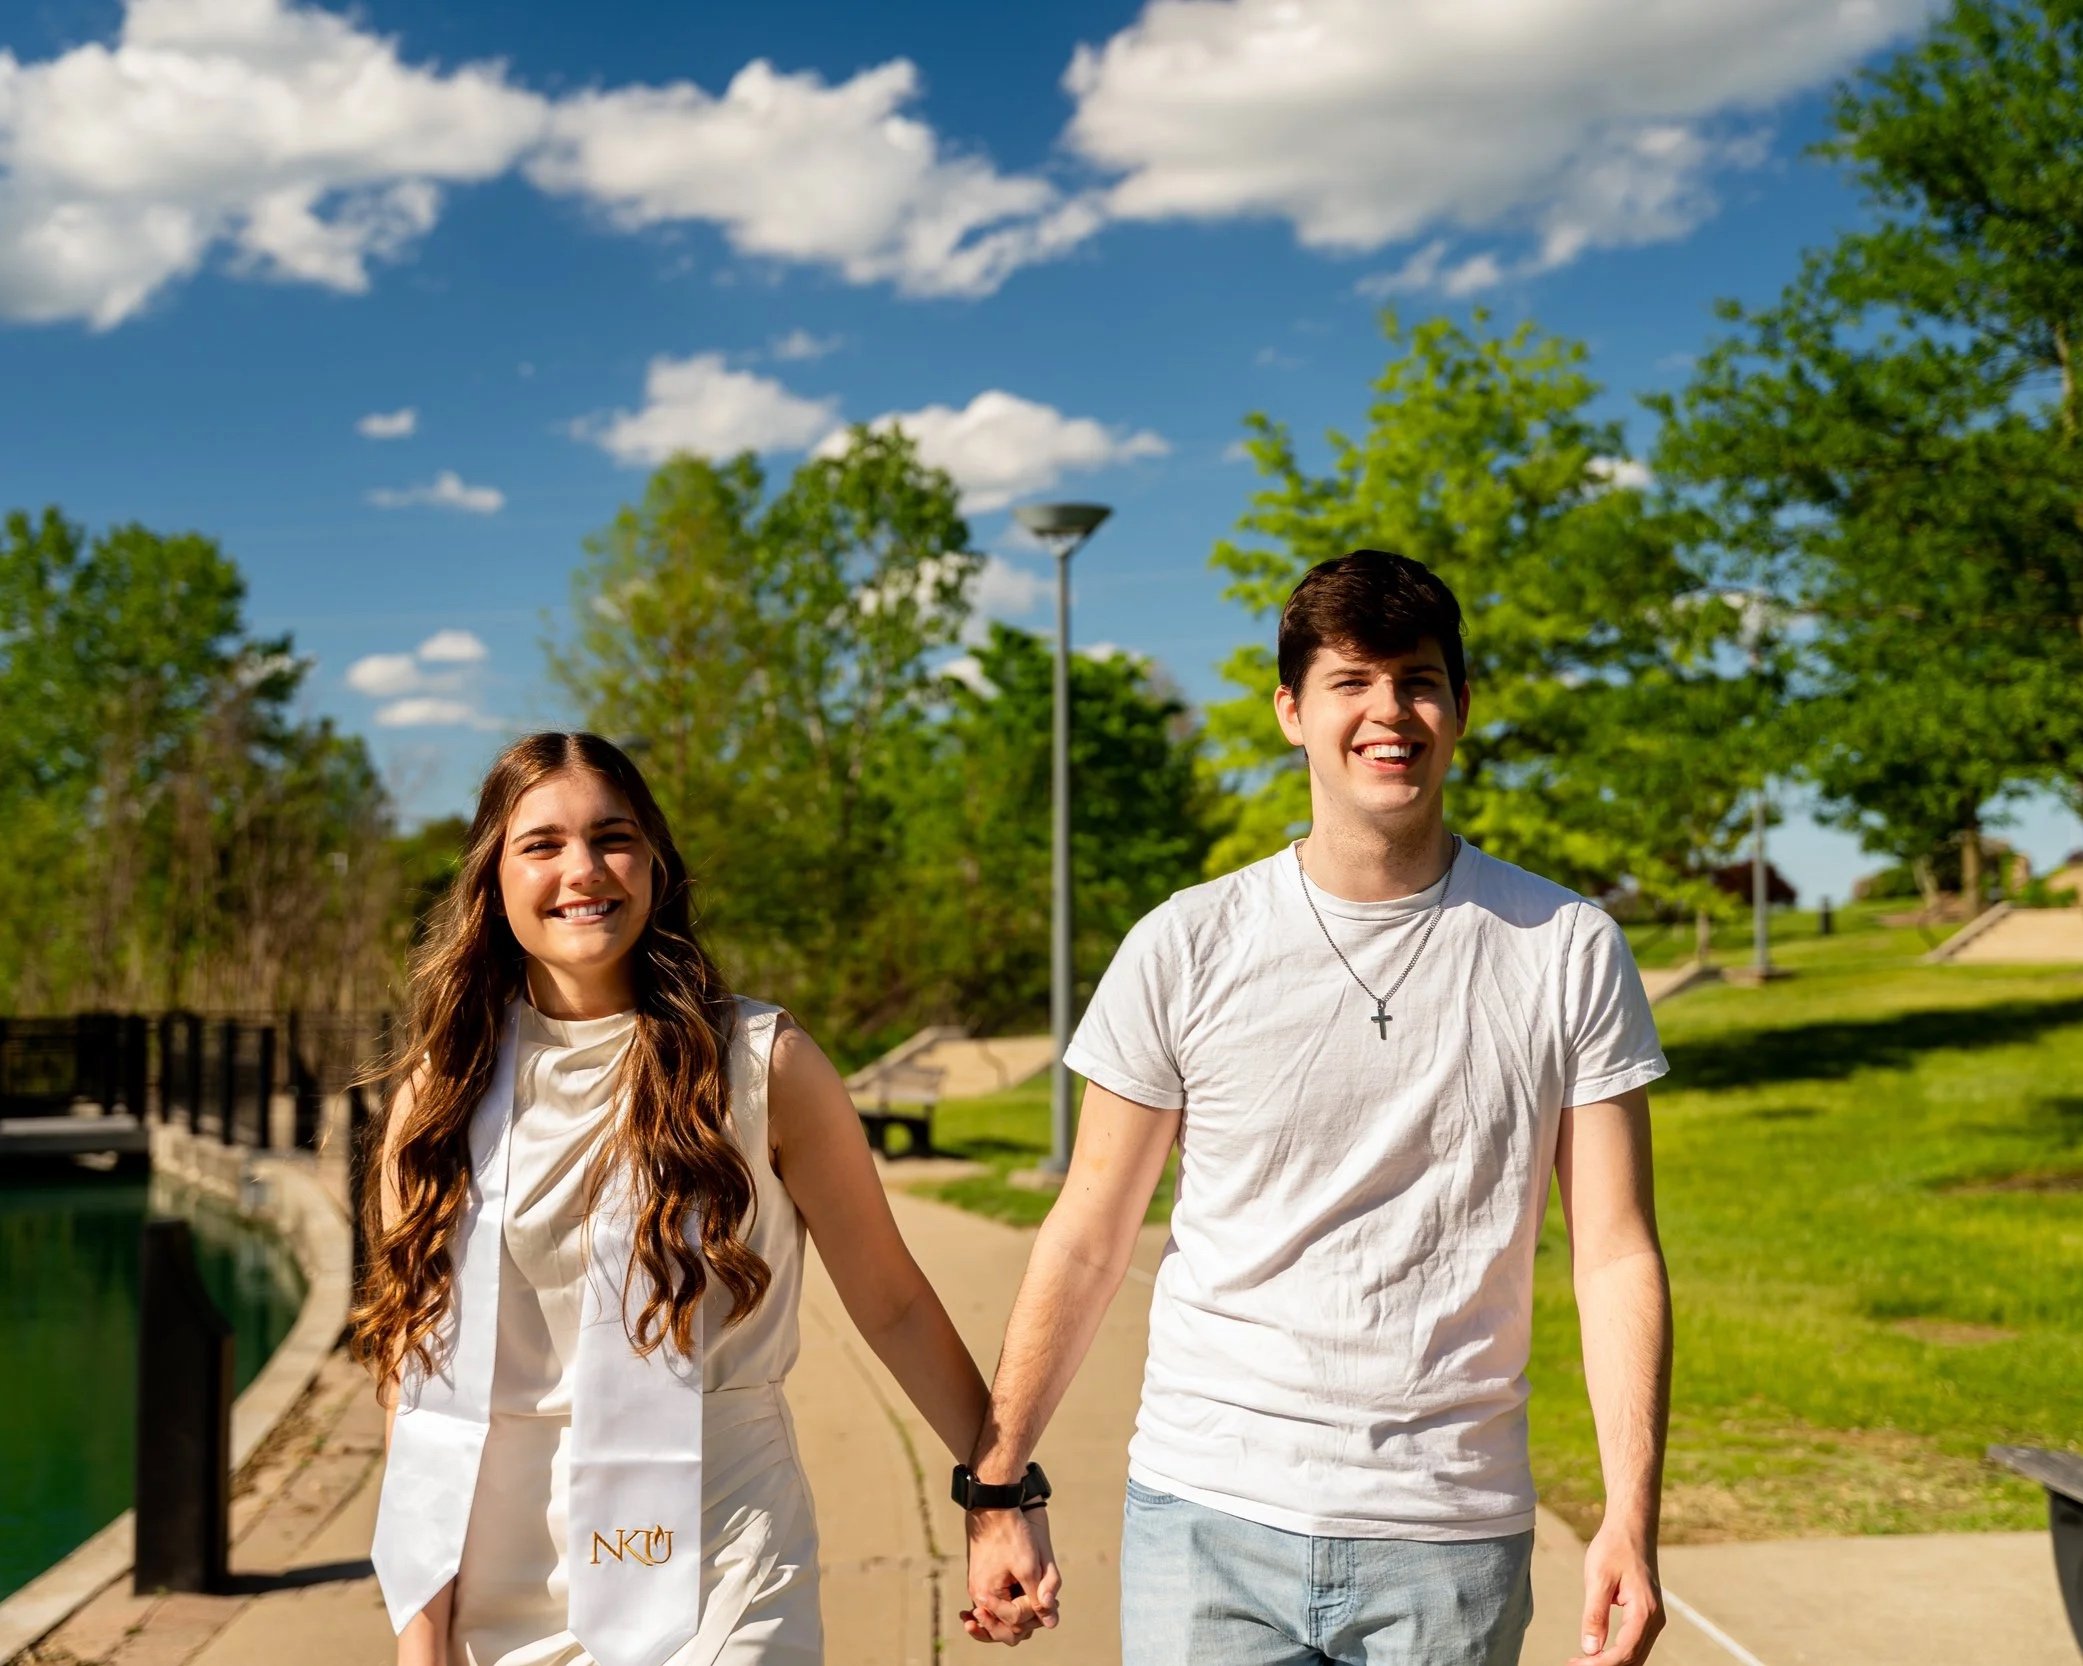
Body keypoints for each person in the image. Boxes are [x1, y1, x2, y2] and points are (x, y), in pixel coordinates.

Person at [960, 551, 1673, 1666]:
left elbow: (1614, 1252)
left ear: (1460, 706)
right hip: (1207, 1518)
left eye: (1420, 679)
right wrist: (997, 1484)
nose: (1389, 711)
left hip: (1448, 1533)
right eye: (1351, 681)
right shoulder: (1184, 945)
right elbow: (1089, 1235)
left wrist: (1631, 1514)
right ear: (1291, 711)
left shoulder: (1567, 947)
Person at [354, 731, 992, 1666]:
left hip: (721, 1544)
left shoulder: (760, 1064)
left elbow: (890, 1300)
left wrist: (999, 1492)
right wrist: (422, 1628)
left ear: (654, 863)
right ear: (491, 879)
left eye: (612, 837)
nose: (583, 869)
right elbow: (413, 1368)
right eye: (541, 844)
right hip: (504, 1572)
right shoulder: (440, 1095)